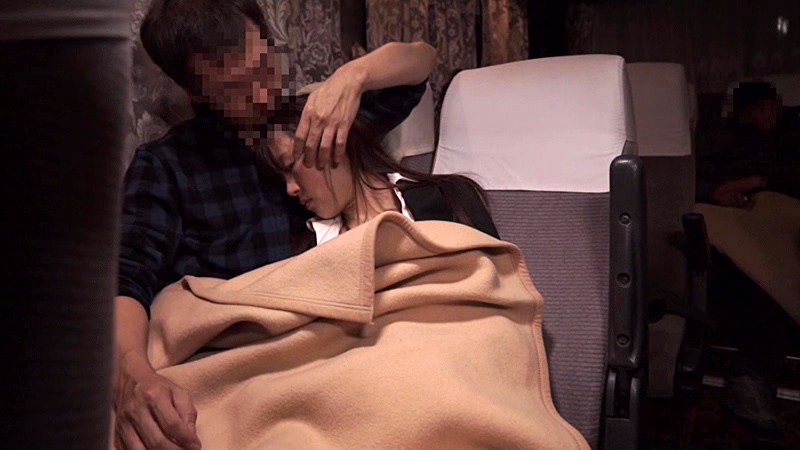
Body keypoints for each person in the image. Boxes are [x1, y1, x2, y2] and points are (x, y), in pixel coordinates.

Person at [113, 1, 437, 449]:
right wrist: (133, 377)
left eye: (264, 67)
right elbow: (125, 283)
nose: (264, 93)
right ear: (197, 91)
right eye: (237, 88)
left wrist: (352, 77)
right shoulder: (167, 167)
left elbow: (421, 62)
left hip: (348, 349)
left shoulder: (316, 119)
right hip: (245, 368)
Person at [261, 93, 499, 248]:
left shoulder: (451, 198)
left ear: (332, 141)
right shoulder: (310, 247)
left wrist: (353, 77)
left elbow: (505, 288)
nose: (290, 189)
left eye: (290, 165)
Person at [697, 81, 800, 207]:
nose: (759, 117)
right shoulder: (730, 136)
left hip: (780, 199)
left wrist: (759, 181)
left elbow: (792, 173)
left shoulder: (792, 129)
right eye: (751, 113)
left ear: (777, 103)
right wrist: (715, 194)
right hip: (733, 202)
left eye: (762, 109)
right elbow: (699, 175)